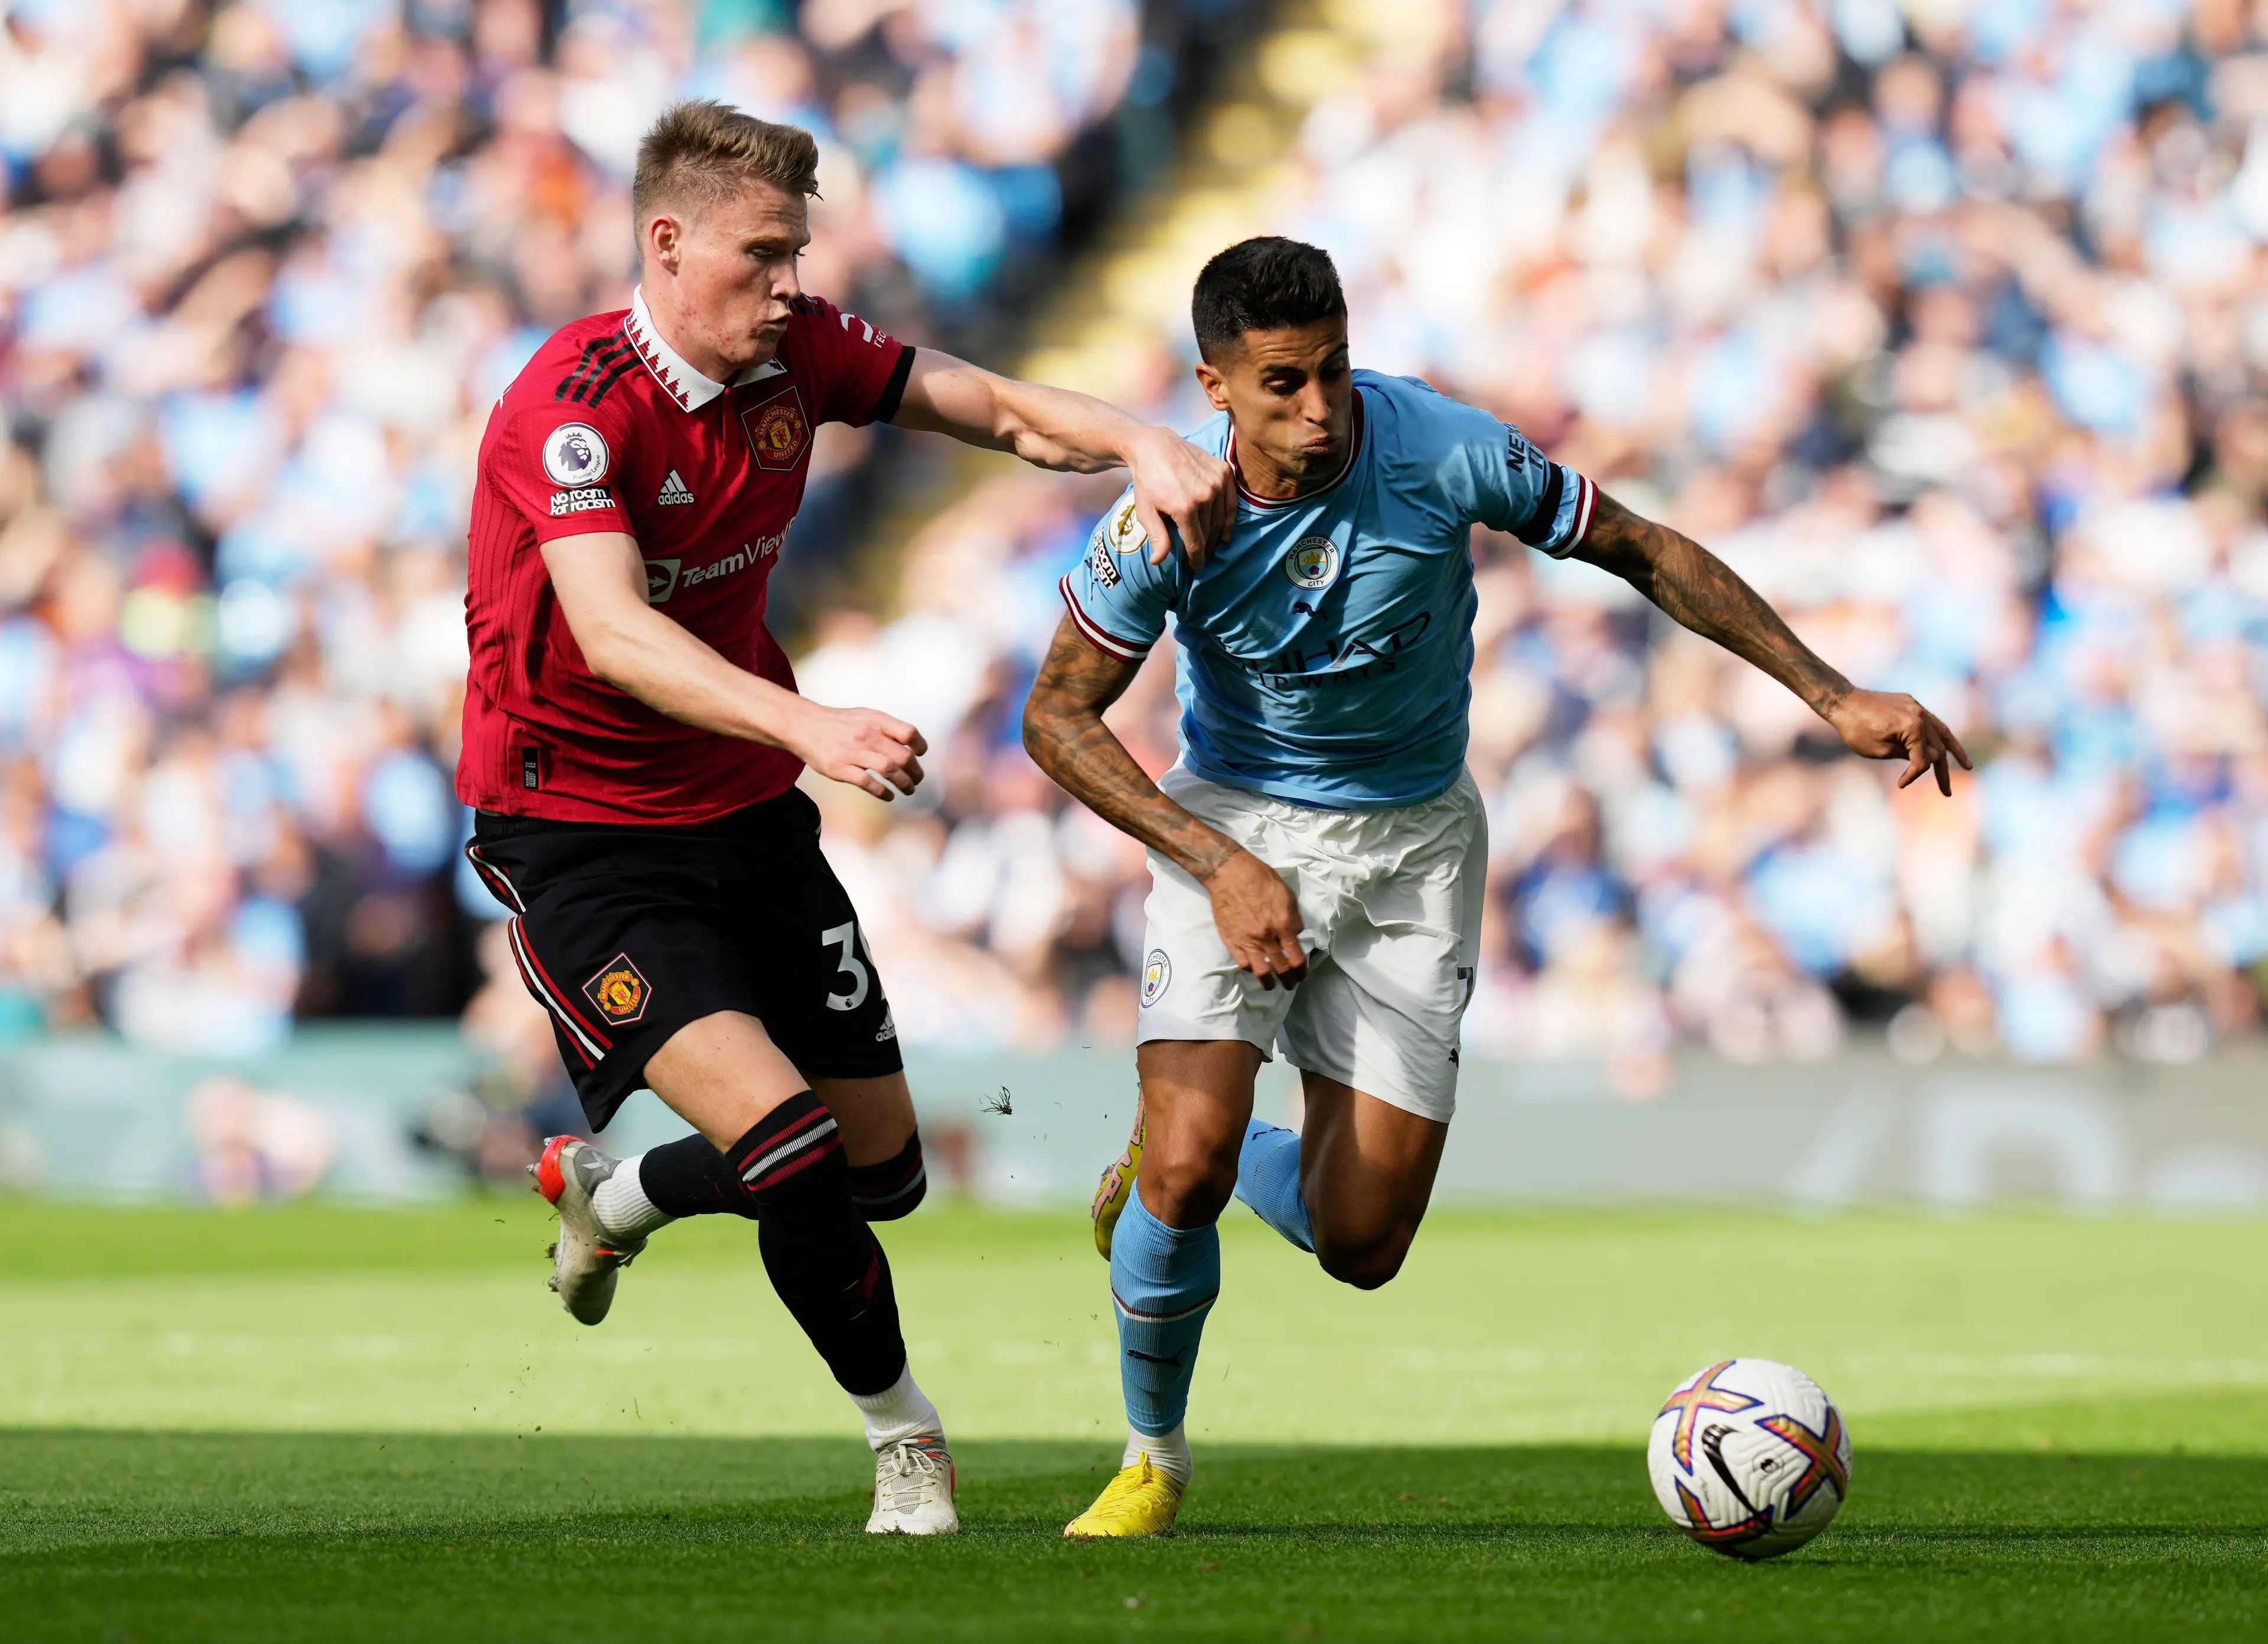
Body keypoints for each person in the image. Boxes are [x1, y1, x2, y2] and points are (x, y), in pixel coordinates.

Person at [1024, 236, 1969, 1538]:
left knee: (1362, 1245)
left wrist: (1831, 691)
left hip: (1414, 846)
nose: (1320, 408)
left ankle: (1220, 1159)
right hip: (1232, 823)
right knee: (1182, 1164)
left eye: (1335, 370)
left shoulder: (1443, 448)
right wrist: (1220, 859)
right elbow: (1056, 718)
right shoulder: (1163, 518)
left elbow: (1639, 547)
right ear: (1217, 386)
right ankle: (1153, 1458)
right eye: (1285, 383)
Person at [457, 100, 1234, 1536]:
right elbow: (613, 632)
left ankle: (619, 1197)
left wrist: (1140, 440)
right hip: (583, 836)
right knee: (793, 1144)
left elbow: (993, 408)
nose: (788, 286)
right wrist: (809, 724)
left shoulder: (796, 354)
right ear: (666, 242)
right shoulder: (569, 407)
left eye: (797, 255)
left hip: (744, 811)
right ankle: (906, 1439)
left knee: (882, 1170)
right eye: (760, 256)